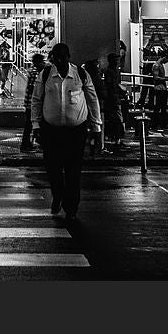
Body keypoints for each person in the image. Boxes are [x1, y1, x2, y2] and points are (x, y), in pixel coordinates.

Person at [31, 43, 102, 221]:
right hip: (51, 130)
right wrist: (36, 125)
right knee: (53, 169)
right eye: (57, 58)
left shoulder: (81, 74)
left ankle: (71, 207)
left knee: (73, 170)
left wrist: (96, 127)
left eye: (64, 57)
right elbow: (36, 100)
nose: (61, 61)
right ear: (53, 58)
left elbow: (92, 100)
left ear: (69, 57)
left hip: (76, 131)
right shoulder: (45, 74)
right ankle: (57, 194)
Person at [20, 53, 47, 152]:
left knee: (30, 125)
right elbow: (36, 90)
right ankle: (28, 144)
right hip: (33, 104)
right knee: (31, 124)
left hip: (29, 103)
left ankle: (29, 143)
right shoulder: (37, 73)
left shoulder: (33, 71)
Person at [103, 53, 127, 149]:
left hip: (113, 98)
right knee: (118, 119)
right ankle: (117, 138)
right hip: (114, 98)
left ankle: (115, 138)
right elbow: (112, 85)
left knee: (116, 119)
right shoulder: (112, 71)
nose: (118, 62)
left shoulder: (111, 71)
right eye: (116, 60)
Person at [151, 55, 168, 132]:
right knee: (158, 107)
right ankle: (155, 124)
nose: (167, 61)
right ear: (164, 57)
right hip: (159, 89)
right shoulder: (156, 65)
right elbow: (156, 78)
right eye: (167, 59)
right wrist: (167, 78)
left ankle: (163, 124)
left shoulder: (159, 65)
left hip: (162, 88)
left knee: (163, 108)